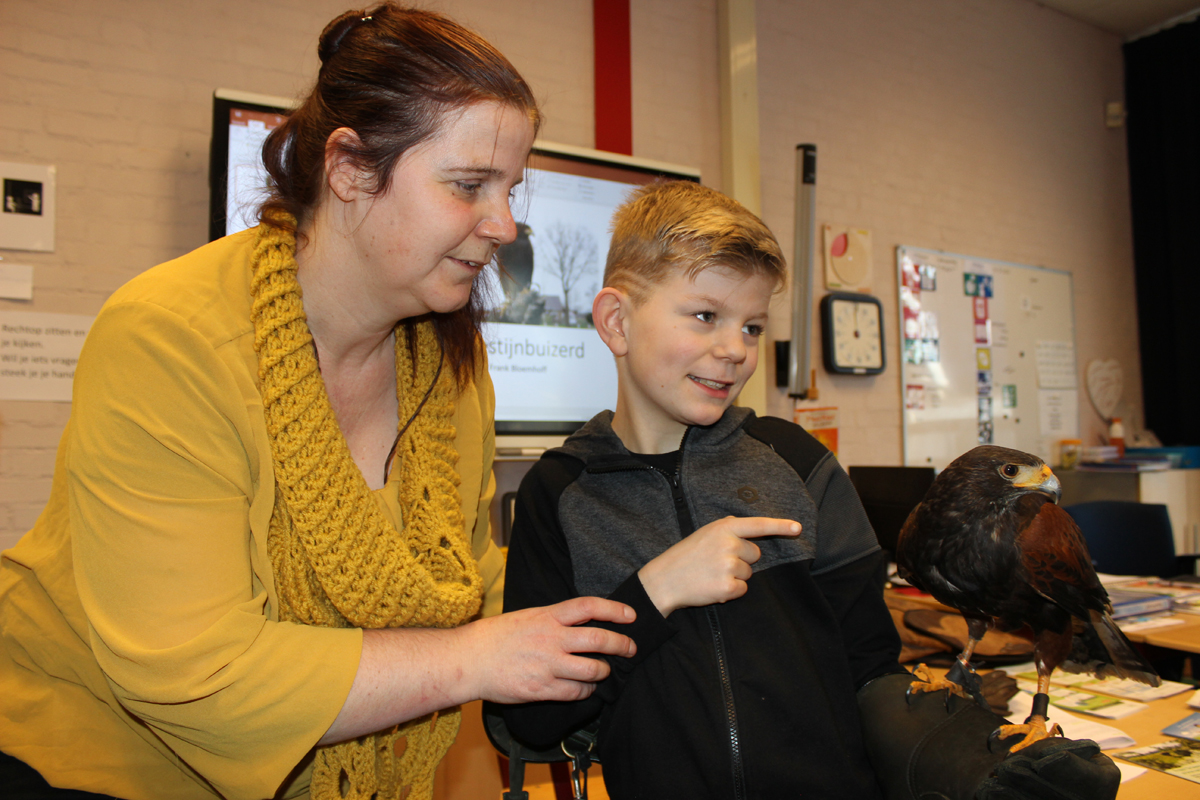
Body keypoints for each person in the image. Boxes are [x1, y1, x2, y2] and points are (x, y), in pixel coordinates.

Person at [0, 6, 635, 800]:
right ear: (349, 169)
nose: (504, 224)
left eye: (509, 189)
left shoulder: (452, 366)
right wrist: (477, 655)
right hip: (90, 765)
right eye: (469, 185)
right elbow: (196, 674)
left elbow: (471, 580)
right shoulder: (171, 337)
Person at [500, 180, 1120, 799]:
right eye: (706, 316)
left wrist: (971, 766)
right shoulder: (560, 494)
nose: (733, 350)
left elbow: (872, 677)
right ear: (616, 322)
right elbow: (532, 721)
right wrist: (655, 592)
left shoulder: (799, 465)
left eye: (752, 328)